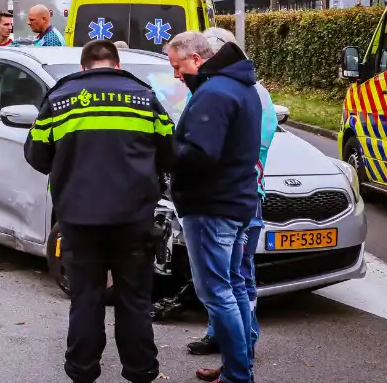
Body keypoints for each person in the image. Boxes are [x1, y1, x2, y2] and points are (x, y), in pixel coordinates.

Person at [24, 40, 171, 383]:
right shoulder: (144, 97)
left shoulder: (60, 99)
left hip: (78, 218)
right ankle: (140, 370)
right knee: (134, 298)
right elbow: (169, 150)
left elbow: (35, 154)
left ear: (83, 67)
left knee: (86, 297)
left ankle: (82, 370)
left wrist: (68, 168)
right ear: (117, 65)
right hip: (133, 219)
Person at [164, 30, 261, 383]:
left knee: (216, 292)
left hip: (211, 206)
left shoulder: (214, 93)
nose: (177, 75)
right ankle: (240, 365)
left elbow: (201, 153)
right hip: (236, 201)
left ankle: (238, 374)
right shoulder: (239, 86)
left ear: (196, 60)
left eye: (177, 67)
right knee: (233, 286)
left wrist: (164, 152)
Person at [189, 28, 278, 375]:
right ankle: (232, 356)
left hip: (239, 197)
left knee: (237, 278)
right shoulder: (234, 89)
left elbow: (245, 146)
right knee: (230, 279)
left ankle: (243, 357)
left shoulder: (241, 92)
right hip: (239, 196)